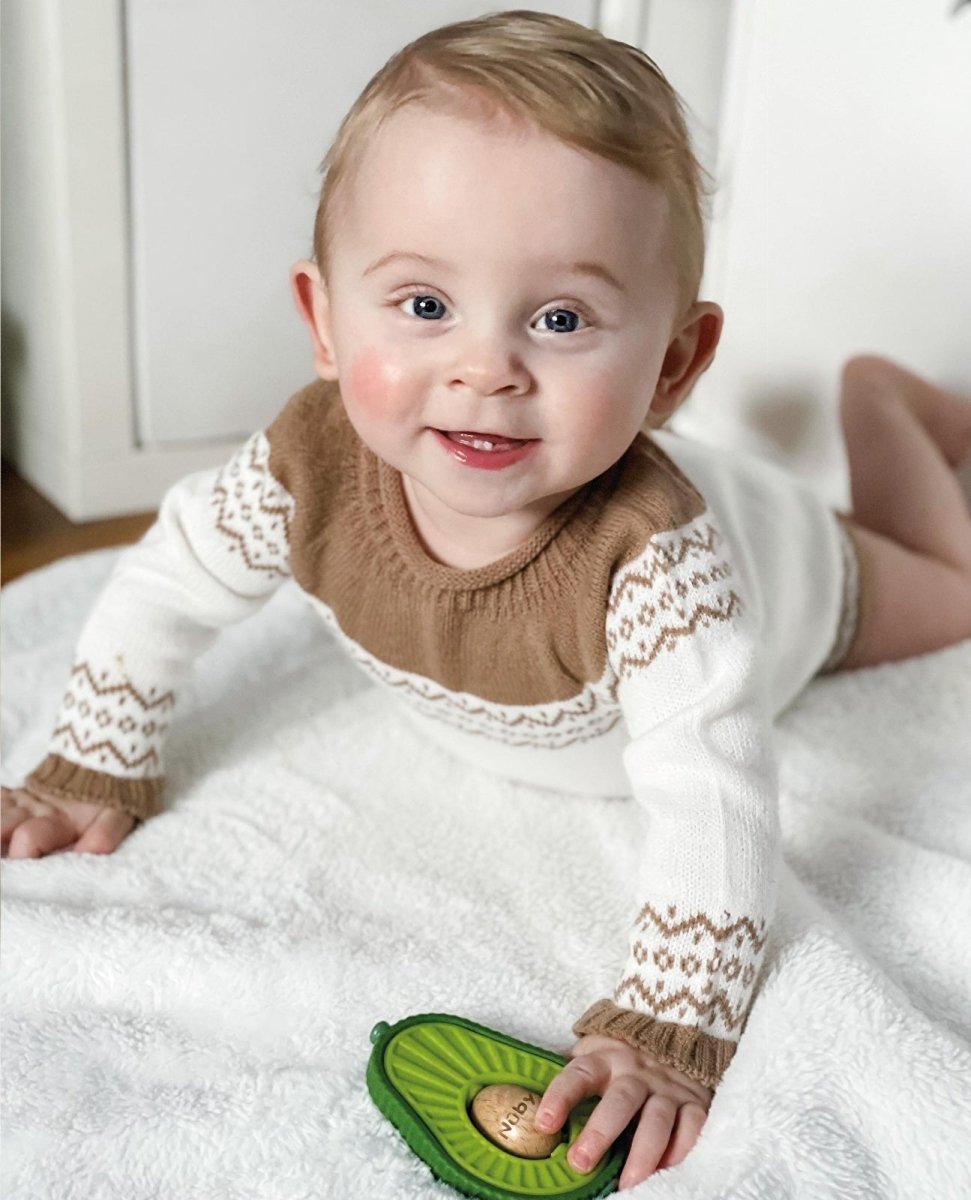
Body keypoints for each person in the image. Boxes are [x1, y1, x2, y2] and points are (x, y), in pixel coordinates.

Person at [3, 10, 970, 1189]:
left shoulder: (657, 565)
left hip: (804, 572)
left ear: (670, 365)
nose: (486, 368)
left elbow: (711, 788)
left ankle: (884, 405)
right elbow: (167, 580)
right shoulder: (306, 470)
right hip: (707, 497)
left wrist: (674, 1019)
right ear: (322, 320)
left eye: (559, 320)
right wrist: (95, 754)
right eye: (423, 306)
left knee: (952, 589)